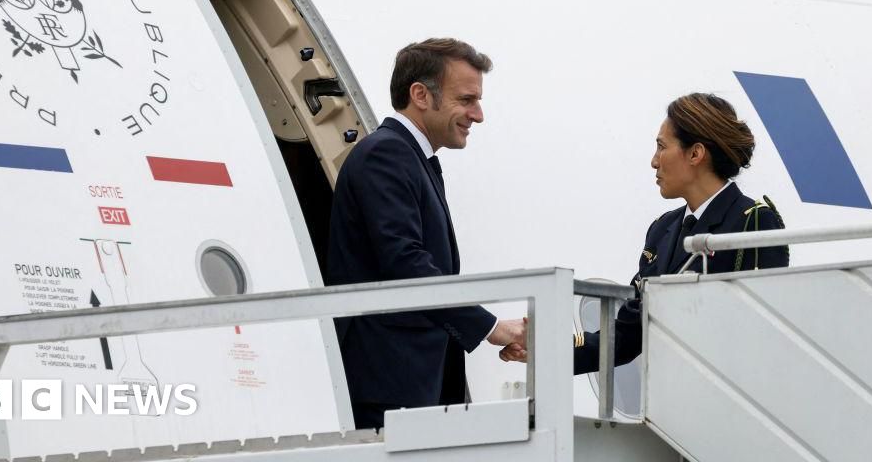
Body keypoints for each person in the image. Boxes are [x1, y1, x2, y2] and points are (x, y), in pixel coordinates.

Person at [500, 93, 789, 373]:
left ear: (696, 153)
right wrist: (545, 345)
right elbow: (627, 335)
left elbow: (761, 333)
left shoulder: (754, 221)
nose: (654, 161)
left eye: (662, 147)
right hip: (667, 404)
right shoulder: (663, 229)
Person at [327, 38, 526, 429]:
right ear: (420, 94)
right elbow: (405, 261)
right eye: (467, 100)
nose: (478, 114)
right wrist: (490, 327)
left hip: (411, 378)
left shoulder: (412, 158)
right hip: (388, 379)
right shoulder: (387, 155)